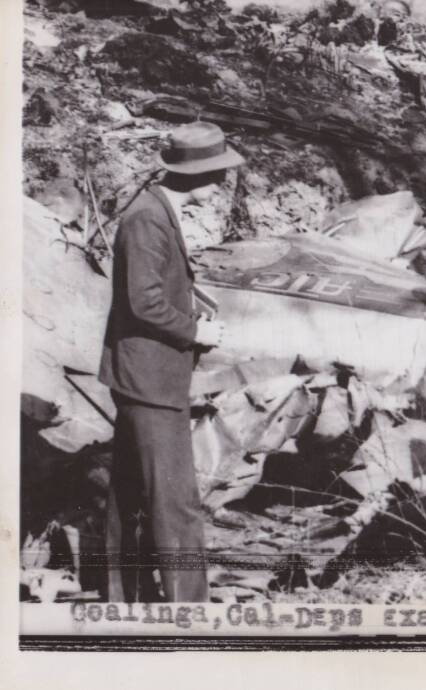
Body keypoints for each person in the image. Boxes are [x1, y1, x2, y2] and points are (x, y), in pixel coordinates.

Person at [98, 121, 244, 602]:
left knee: (133, 493)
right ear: (195, 176)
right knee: (175, 501)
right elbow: (142, 301)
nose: (222, 183)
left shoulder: (155, 211)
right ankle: (190, 611)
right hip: (150, 380)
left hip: (144, 375)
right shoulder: (148, 218)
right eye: (217, 173)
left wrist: (190, 308)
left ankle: (124, 597)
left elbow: (153, 290)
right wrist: (195, 330)